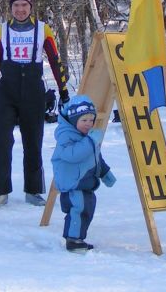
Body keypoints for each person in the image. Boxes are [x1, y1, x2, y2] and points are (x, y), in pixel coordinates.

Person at [0, 0, 70, 208]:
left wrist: (63, 91)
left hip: (32, 88)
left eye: (24, 5)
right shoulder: (2, 30)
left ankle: (33, 190)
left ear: (30, 7)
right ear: (10, 8)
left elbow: (54, 60)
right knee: (0, 141)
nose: (20, 9)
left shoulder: (43, 29)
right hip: (8, 88)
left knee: (33, 140)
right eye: (16, 5)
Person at [51, 95, 116, 253]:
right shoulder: (65, 137)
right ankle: (73, 240)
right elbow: (73, 155)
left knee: (86, 210)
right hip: (73, 183)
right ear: (74, 121)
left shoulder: (87, 138)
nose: (89, 124)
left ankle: (78, 237)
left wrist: (105, 172)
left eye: (91, 120)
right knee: (78, 208)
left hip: (85, 182)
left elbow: (95, 157)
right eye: (84, 120)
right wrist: (90, 142)